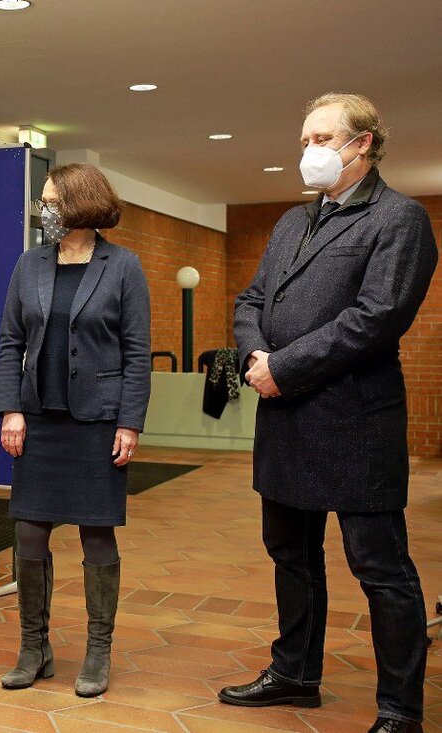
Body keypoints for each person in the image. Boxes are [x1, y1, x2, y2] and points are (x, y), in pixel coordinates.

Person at [225, 93, 437, 733]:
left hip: (354, 421)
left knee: (380, 567)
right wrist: (255, 356)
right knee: (289, 551)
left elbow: (375, 318)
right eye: (305, 140)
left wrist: (282, 368)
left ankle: (401, 709)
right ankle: (295, 674)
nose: (309, 152)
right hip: (286, 418)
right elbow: (252, 298)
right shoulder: (295, 221)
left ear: (363, 143)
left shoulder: (399, 219)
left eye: (322, 139)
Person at [0, 163, 151, 698]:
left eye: (50, 201)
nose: (43, 211)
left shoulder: (123, 265)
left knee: (96, 534)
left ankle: (97, 652)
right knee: (29, 535)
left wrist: (130, 421)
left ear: (80, 203)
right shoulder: (29, 264)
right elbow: (9, 343)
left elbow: (137, 354)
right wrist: (10, 410)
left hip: (97, 422)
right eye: (43, 202)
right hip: (38, 420)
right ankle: (33, 648)